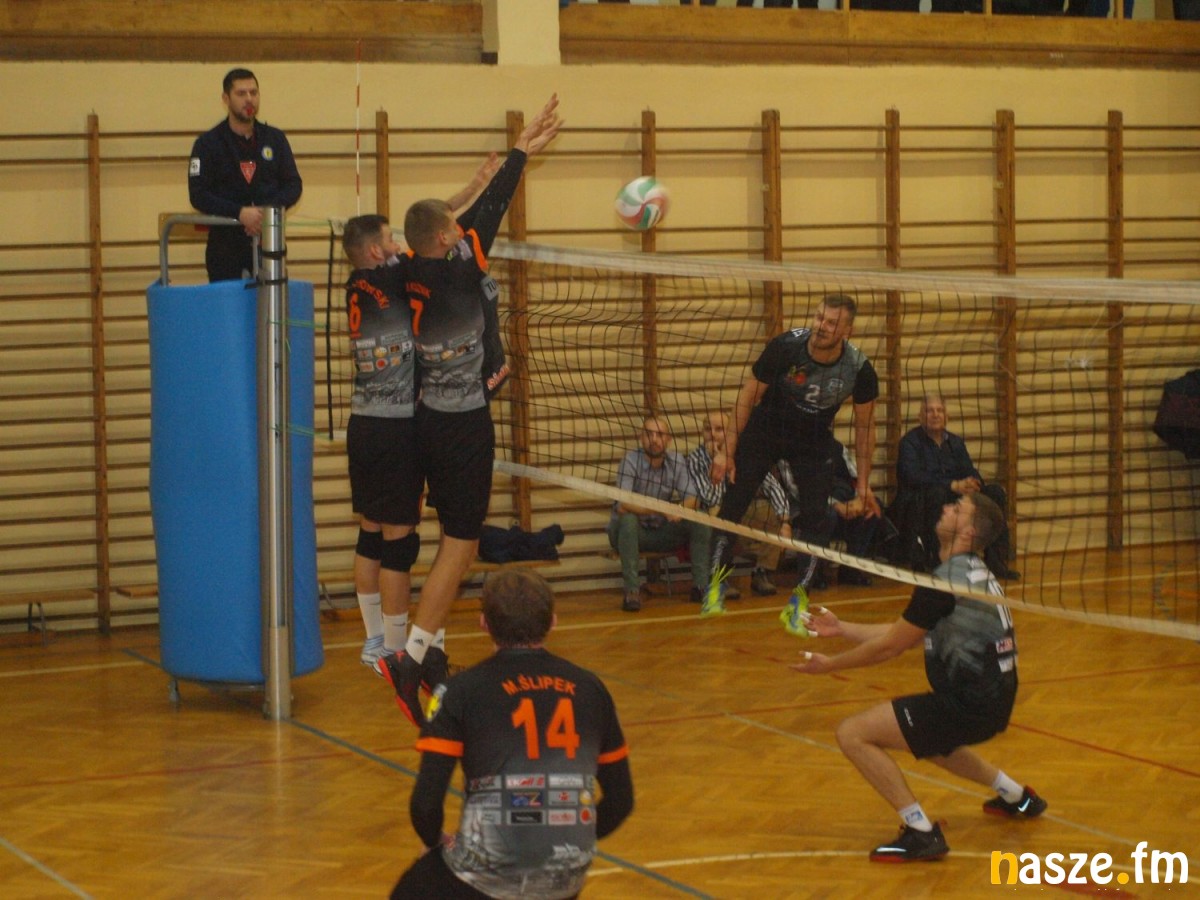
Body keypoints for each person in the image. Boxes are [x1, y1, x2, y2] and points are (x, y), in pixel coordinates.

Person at [376, 95, 562, 726]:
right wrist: (519, 152)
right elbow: (494, 207)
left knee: (445, 539)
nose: (461, 232)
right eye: (454, 230)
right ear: (447, 238)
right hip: (462, 426)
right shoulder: (461, 267)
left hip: (424, 417)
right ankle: (409, 659)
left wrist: (491, 171)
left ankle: (431, 654)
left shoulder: (407, 268)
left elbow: (449, 218)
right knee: (462, 543)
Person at [791, 492, 1048, 862]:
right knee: (930, 739)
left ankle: (921, 831)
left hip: (968, 701)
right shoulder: (973, 572)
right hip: (994, 697)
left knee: (853, 733)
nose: (945, 507)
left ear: (968, 532)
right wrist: (842, 629)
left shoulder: (944, 583)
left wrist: (829, 665)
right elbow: (908, 632)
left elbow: (890, 647)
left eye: (957, 509)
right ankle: (1017, 796)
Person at [340, 161, 500, 672]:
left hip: (362, 421)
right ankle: (394, 649)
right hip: (397, 427)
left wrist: (471, 189)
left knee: (371, 532)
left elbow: (428, 231)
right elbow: (430, 241)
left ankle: (375, 641)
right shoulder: (398, 275)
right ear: (376, 252)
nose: (396, 246)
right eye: (389, 240)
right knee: (398, 542)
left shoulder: (359, 282)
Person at [390, 569, 634, 900]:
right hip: (565, 874)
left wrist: (435, 842)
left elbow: (425, 805)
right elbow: (621, 800)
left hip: (486, 873)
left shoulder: (459, 691)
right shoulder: (591, 689)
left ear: (484, 623)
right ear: (553, 622)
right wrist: (569, 842)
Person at [703, 293, 881, 627]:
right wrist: (727, 451)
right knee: (733, 506)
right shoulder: (786, 347)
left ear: (847, 330)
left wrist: (863, 485)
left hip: (812, 440)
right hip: (767, 429)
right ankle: (715, 587)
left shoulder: (859, 369)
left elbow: (865, 427)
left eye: (831, 323)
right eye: (819, 317)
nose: (821, 326)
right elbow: (748, 395)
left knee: (817, 519)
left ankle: (799, 600)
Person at [188, 68, 303, 283]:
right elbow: (198, 194)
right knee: (228, 304)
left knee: (271, 303)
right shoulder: (207, 144)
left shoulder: (275, 139)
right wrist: (239, 213)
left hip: (268, 244)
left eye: (253, 93)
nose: (249, 99)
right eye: (241, 94)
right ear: (226, 99)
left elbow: (293, 185)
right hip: (224, 249)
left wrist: (264, 213)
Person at [890, 392, 1019, 580]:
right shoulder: (910, 442)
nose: (935, 415)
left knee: (995, 493)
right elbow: (912, 476)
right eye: (930, 411)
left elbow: (968, 469)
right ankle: (937, 560)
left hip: (954, 494)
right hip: (921, 498)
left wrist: (973, 483)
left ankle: (995, 560)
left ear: (946, 416)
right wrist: (951, 485)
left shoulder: (955, 442)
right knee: (937, 493)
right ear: (920, 417)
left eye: (939, 410)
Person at [609, 414, 713, 612]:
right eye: (649, 434)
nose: (654, 439)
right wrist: (661, 509)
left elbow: (693, 498)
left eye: (660, 435)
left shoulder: (677, 461)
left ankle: (700, 587)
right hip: (630, 533)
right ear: (641, 438)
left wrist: (679, 509)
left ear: (668, 439)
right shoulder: (630, 461)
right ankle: (632, 592)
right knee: (628, 519)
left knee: (700, 518)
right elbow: (624, 503)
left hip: (662, 531)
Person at [686, 410, 789, 597]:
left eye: (719, 429)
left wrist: (785, 521)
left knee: (769, 512)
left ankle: (761, 572)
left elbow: (773, 487)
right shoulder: (695, 459)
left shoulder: (745, 455)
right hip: (713, 515)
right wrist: (716, 462)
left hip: (740, 514)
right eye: (708, 429)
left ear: (730, 433)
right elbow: (711, 499)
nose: (713, 434)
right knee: (719, 514)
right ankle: (719, 577)